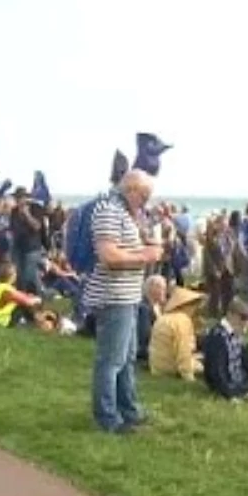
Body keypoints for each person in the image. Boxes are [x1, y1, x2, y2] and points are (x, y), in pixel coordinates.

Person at [81, 170, 163, 435]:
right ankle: (108, 417)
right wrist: (145, 256)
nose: (146, 202)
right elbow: (108, 255)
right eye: (144, 195)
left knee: (126, 358)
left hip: (126, 295)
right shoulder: (109, 210)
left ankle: (128, 409)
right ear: (131, 189)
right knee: (111, 360)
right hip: (112, 295)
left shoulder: (122, 211)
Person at [203, 298, 248, 401]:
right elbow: (217, 373)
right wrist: (233, 394)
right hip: (226, 385)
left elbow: (245, 360)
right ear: (231, 315)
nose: (245, 322)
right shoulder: (217, 336)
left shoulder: (235, 335)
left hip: (238, 381)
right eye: (243, 318)